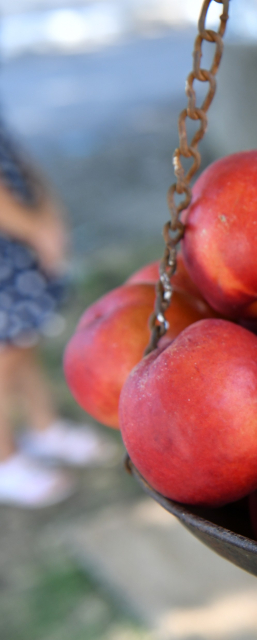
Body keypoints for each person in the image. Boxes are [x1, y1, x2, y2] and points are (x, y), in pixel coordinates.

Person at [0, 122, 117, 509]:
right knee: (5, 354)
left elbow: (13, 152)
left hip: (18, 234)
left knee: (24, 339)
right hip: (12, 233)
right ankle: (5, 459)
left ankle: (43, 426)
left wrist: (47, 213)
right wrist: (35, 227)